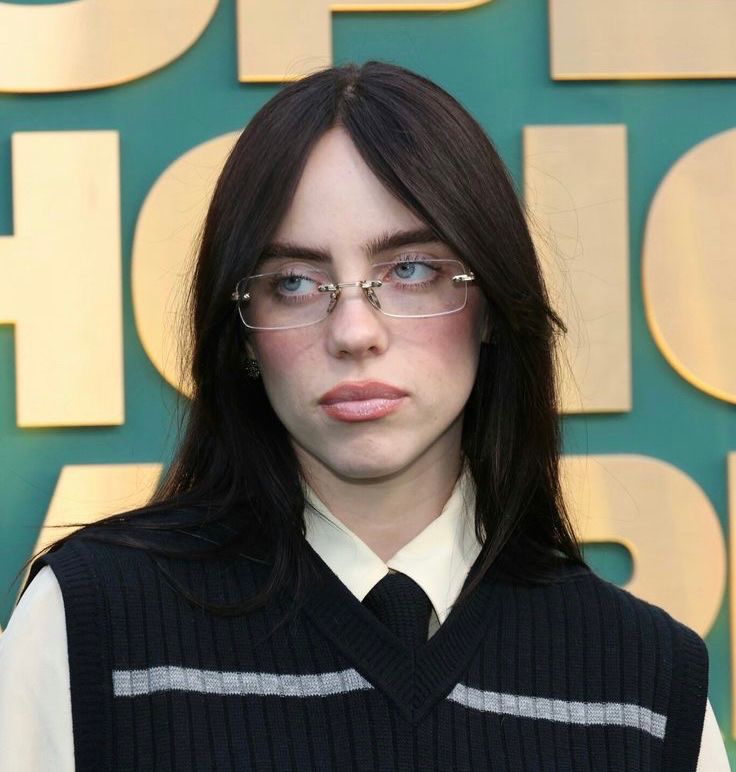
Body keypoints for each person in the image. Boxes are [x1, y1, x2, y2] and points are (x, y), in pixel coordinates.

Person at [0, 60, 728, 771]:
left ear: (491, 307)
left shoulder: (646, 690)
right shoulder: (92, 627)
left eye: (409, 270)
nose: (354, 332)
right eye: (294, 282)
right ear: (244, 333)